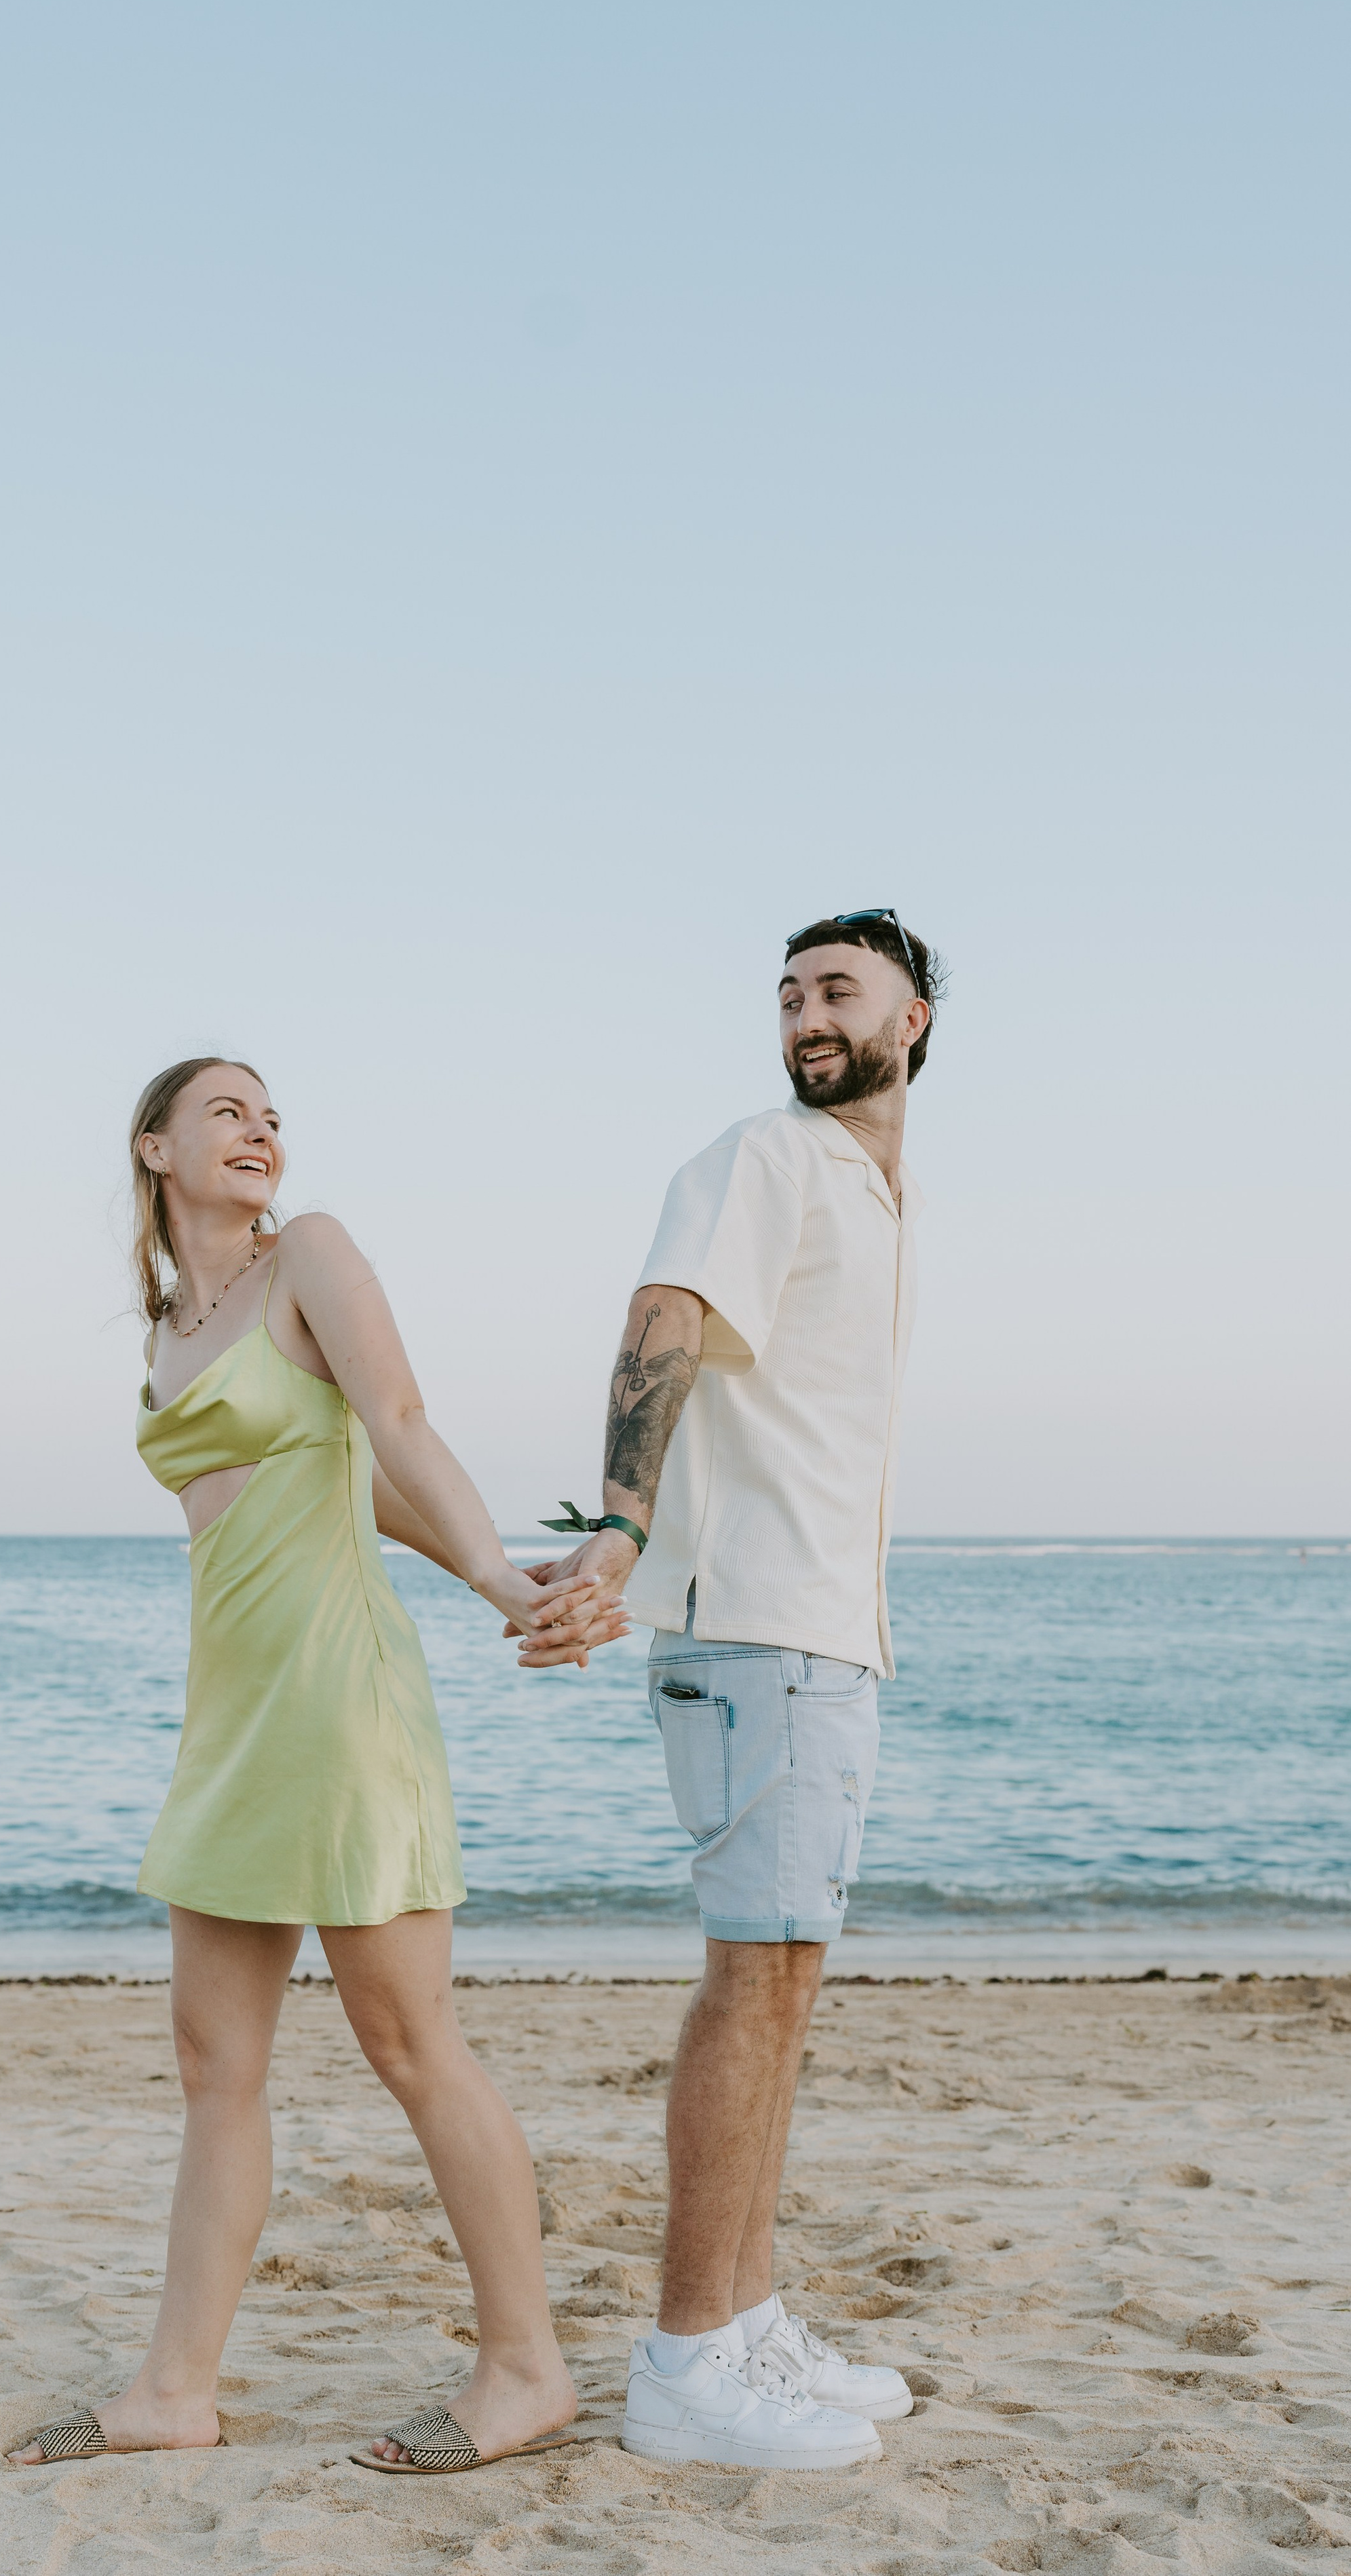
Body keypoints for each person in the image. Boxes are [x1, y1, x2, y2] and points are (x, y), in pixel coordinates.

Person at [8, 1056, 621, 2478]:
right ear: (153, 1147)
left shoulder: (313, 1257)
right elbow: (336, 1480)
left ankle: (526, 2369)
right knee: (212, 2061)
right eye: (226, 1109)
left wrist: (496, 1580)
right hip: (230, 1713)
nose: (260, 1129)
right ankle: (174, 2389)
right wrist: (472, 1568)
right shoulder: (170, 1324)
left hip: (342, 1701)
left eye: (271, 1113)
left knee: (409, 2043)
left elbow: (396, 1424)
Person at [520, 910, 944, 2471]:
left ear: (917, 1022)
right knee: (748, 1980)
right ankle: (688, 2357)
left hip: (823, 1630)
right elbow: (662, 1322)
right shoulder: (760, 1157)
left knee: (785, 1986)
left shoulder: (874, 1191)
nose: (803, 1014)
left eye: (834, 989)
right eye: (786, 995)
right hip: (751, 1625)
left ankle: (748, 2322)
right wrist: (619, 1523)